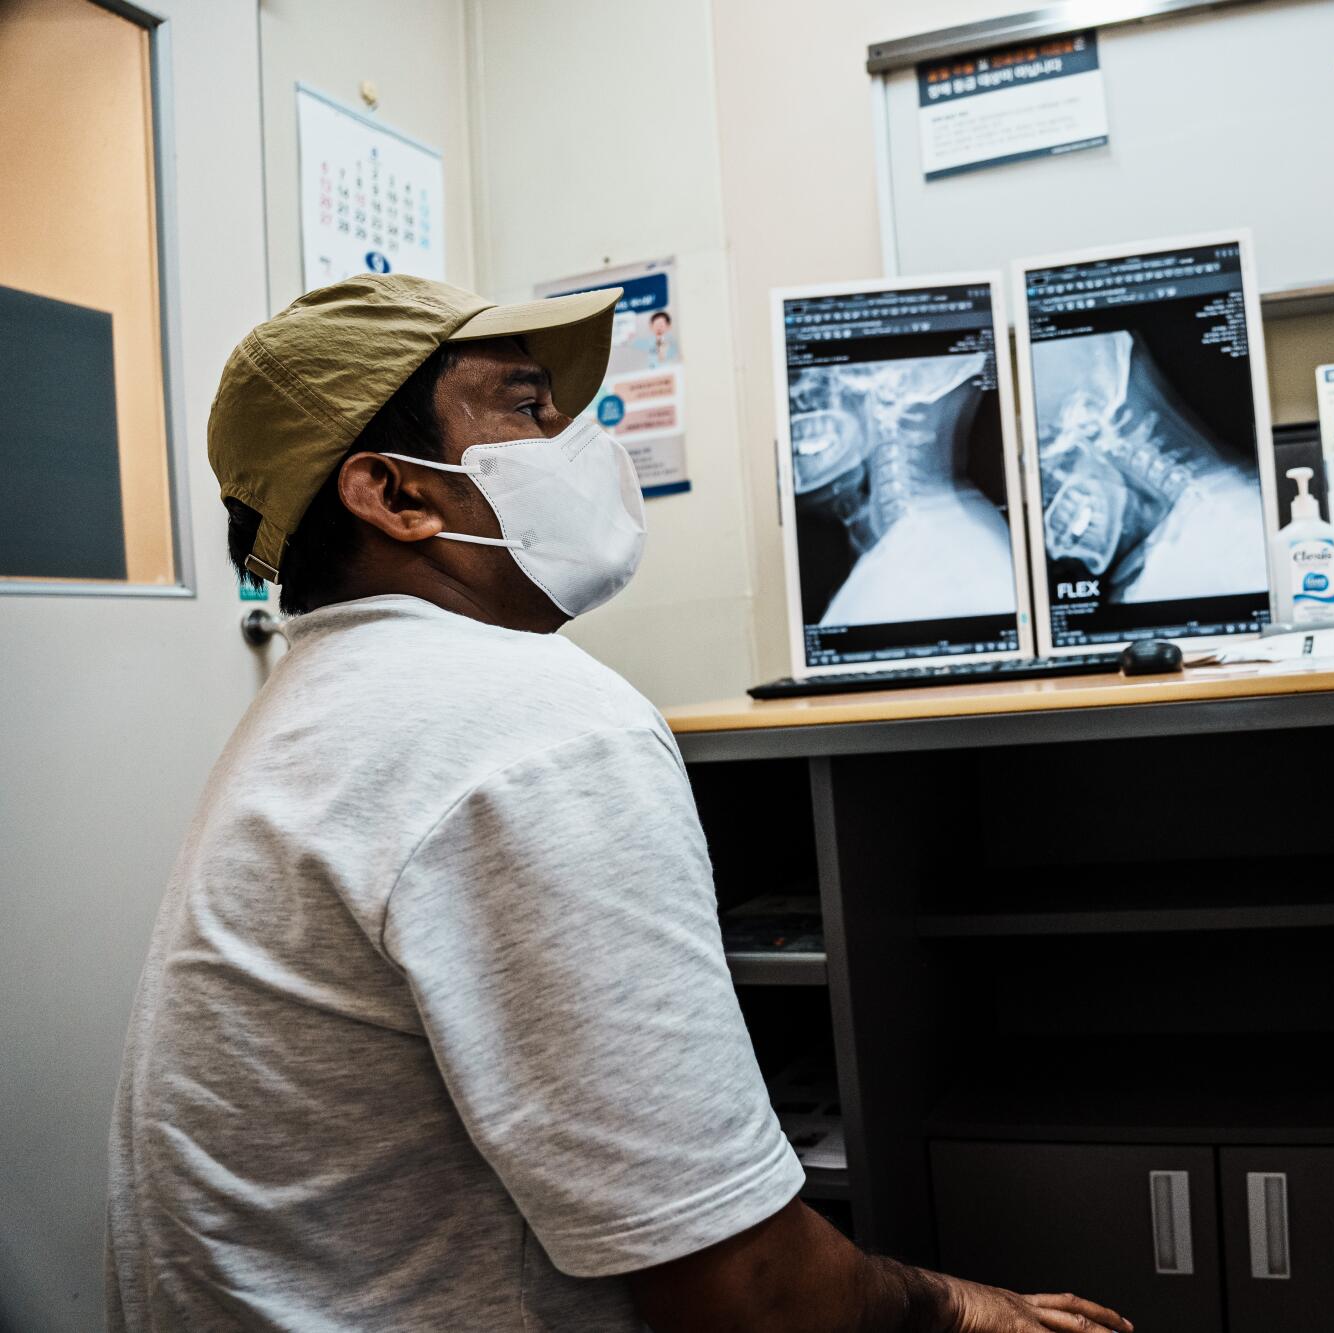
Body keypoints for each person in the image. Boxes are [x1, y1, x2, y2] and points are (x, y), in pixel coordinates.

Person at [106, 273, 1128, 1333]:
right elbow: (751, 1296)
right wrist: (967, 1308)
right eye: (527, 408)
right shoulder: (526, 722)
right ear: (396, 494)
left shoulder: (309, 714)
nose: (579, 441)